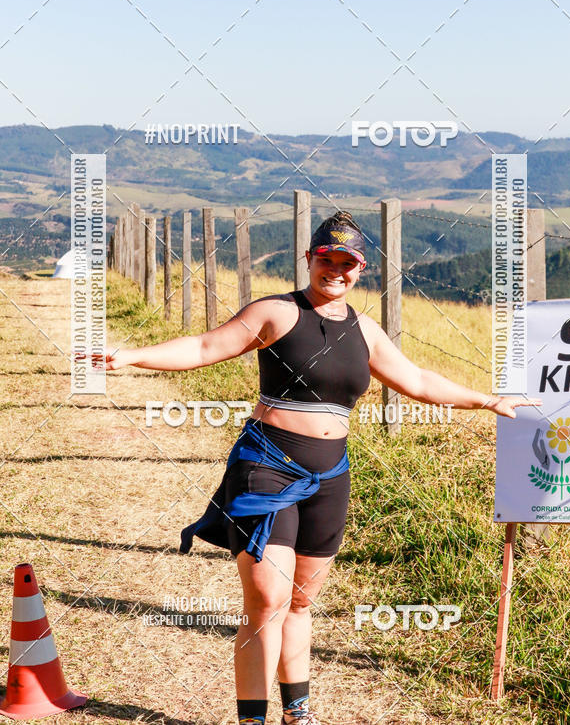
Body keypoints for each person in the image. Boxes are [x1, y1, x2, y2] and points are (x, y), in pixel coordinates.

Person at [99, 211, 541, 725]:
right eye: (326, 259)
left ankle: (297, 712)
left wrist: (488, 400)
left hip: (330, 478)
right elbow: (204, 346)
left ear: (360, 269)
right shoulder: (276, 312)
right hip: (266, 467)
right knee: (268, 599)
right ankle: (252, 719)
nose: (335, 270)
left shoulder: (365, 330)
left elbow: (418, 381)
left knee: (301, 600)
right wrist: (130, 356)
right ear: (308, 259)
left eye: (347, 262)